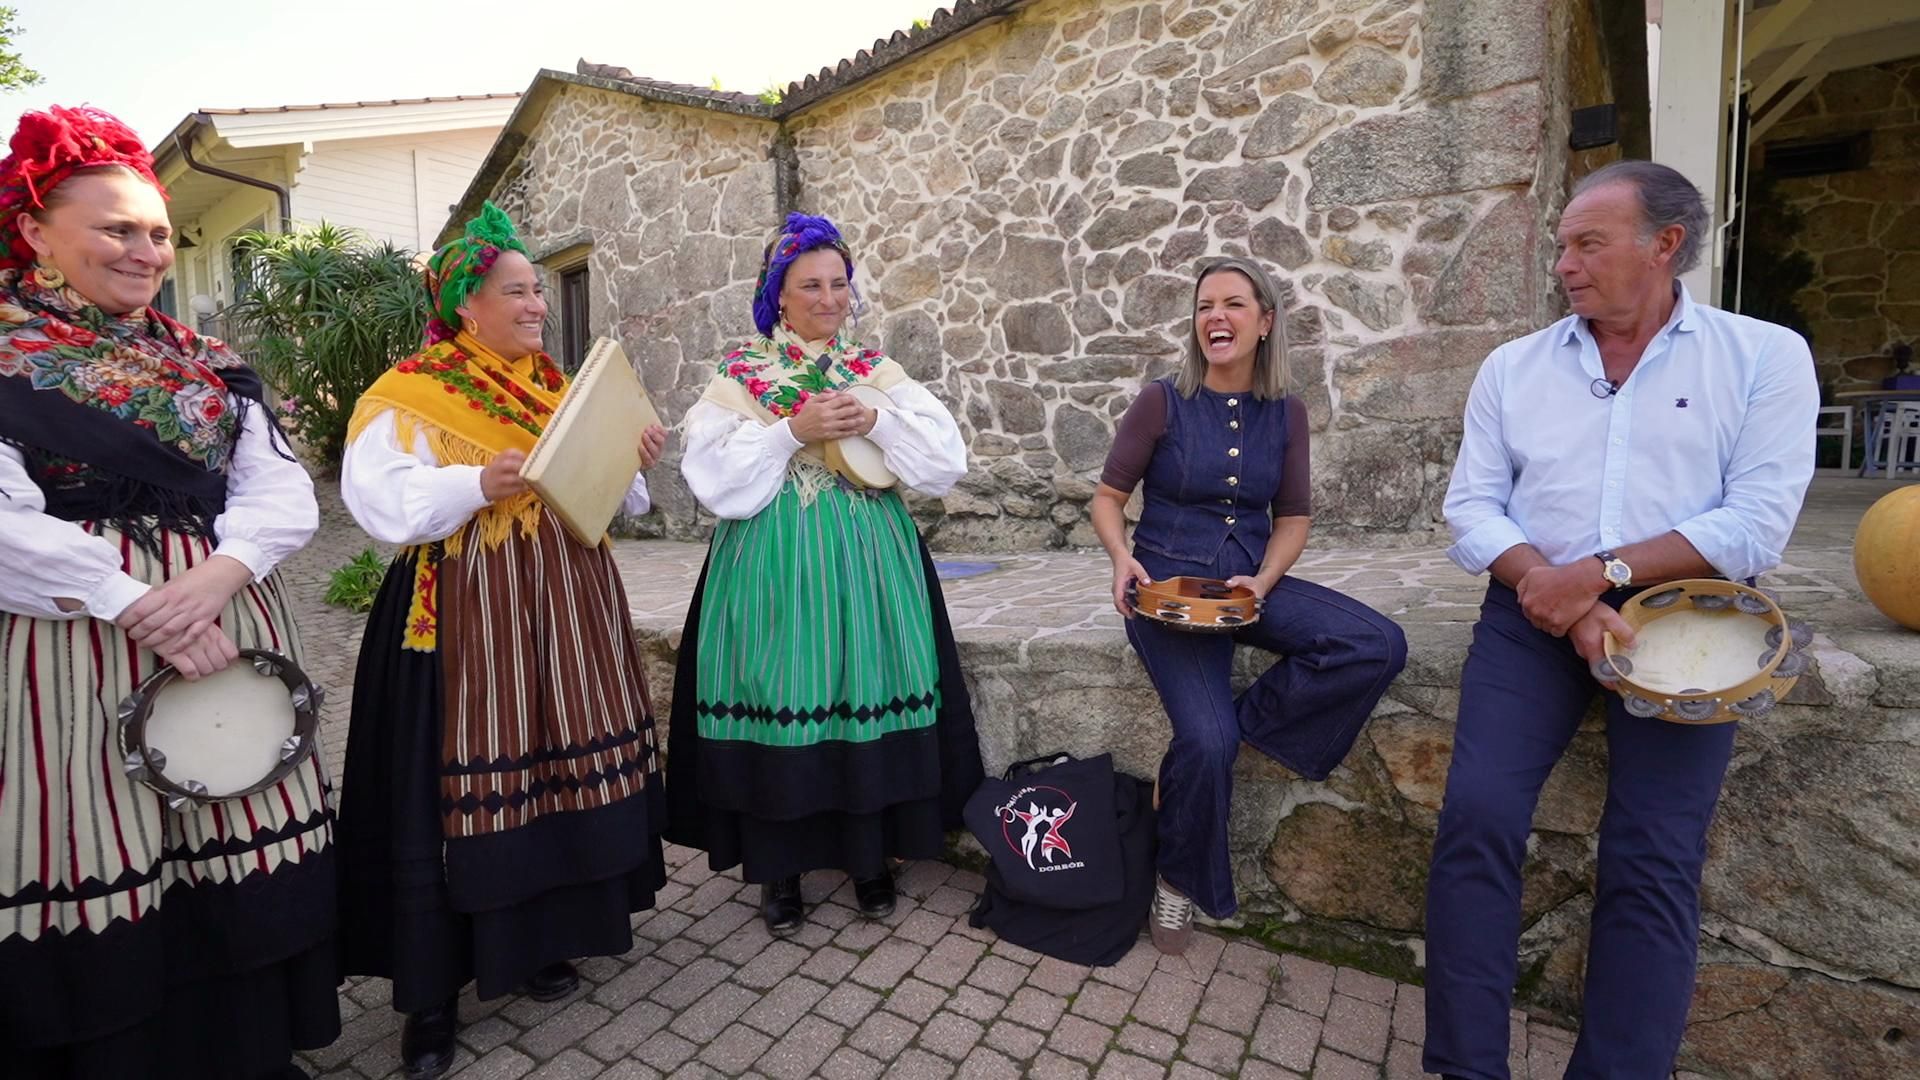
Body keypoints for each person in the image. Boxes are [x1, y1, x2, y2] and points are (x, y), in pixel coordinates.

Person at [1424, 160, 1818, 1077]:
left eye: (1588, 243)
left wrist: (1598, 575)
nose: (1564, 263)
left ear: (1664, 245)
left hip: (1697, 621)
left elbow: (1756, 521)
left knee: (1654, 853)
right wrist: (1561, 597)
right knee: (1477, 816)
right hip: (1533, 606)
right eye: (1562, 244)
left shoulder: (1763, 356)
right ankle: (1465, 1067)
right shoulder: (1513, 368)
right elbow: (1473, 508)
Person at [0, 106, 337, 1079]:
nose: (146, 250)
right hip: (73, 642)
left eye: (157, 231)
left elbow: (275, 489)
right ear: (34, 229)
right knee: (101, 835)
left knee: (233, 821)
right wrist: (129, 599)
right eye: (116, 228)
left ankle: (247, 1052)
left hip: (224, 617)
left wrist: (221, 575)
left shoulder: (206, 362)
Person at [334, 202, 670, 1080]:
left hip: (567, 602)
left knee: (554, 772)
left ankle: (537, 939)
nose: (535, 306)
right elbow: (380, 504)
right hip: (463, 612)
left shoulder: (557, 387)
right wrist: (479, 478)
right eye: (516, 292)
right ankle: (434, 993)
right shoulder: (411, 390)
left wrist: (630, 462)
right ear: (466, 305)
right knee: (450, 789)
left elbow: (611, 505)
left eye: (536, 292)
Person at [666, 211, 983, 938]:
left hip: (872, 559)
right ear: (779, 294)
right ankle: (779, 868)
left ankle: (868, 857)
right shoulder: (740, 376)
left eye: (840, 284)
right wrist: (790, 431)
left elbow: (944, 460)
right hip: (771, 563)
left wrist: (876, 425)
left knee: (863, 689)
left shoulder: (875, 373)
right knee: (780, 688)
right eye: (811, 285)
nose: (830, 298)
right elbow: (711, 477)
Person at [1090, 256, 1408, 956]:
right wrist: (1123, 559)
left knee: (1377, 644)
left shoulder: (1286, 412)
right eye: (1206, 306)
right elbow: (1108, 499)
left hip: (1246, 591)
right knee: (1207, 744)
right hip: (1168, 595)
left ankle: (1214, 749)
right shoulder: (1162, 400)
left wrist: (1262, 583)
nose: (1216, 318)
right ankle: (1177, 880)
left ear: (1265, 322)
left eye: (1234, 305)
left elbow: (1293, 516)